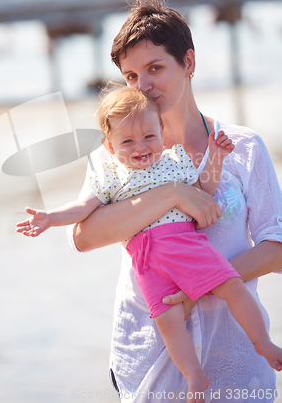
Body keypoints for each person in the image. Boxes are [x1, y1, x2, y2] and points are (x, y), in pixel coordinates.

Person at [69, 0, 282, 402]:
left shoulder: (243, 147)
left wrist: (201, 285)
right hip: (149, 360)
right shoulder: (116, 155)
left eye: (155, 68)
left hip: (234, 357)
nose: (143, 86)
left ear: (189, 63)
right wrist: (170, 194)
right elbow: (83, 236)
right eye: (131, 76)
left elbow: (277, 248)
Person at [17, 84, 282, 402]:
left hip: (187, 246)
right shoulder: (111, 175)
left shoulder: (174, 162)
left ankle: (261, 342)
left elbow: (204, 190)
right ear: (110, 147)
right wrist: (51, 217)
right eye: (127, 141)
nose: (140, 146)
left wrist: (216, 156)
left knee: (231, 286)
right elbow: (83, 210)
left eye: (149, 137)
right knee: (168, 322)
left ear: (161, 132)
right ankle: (193, 373)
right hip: (148, 260)